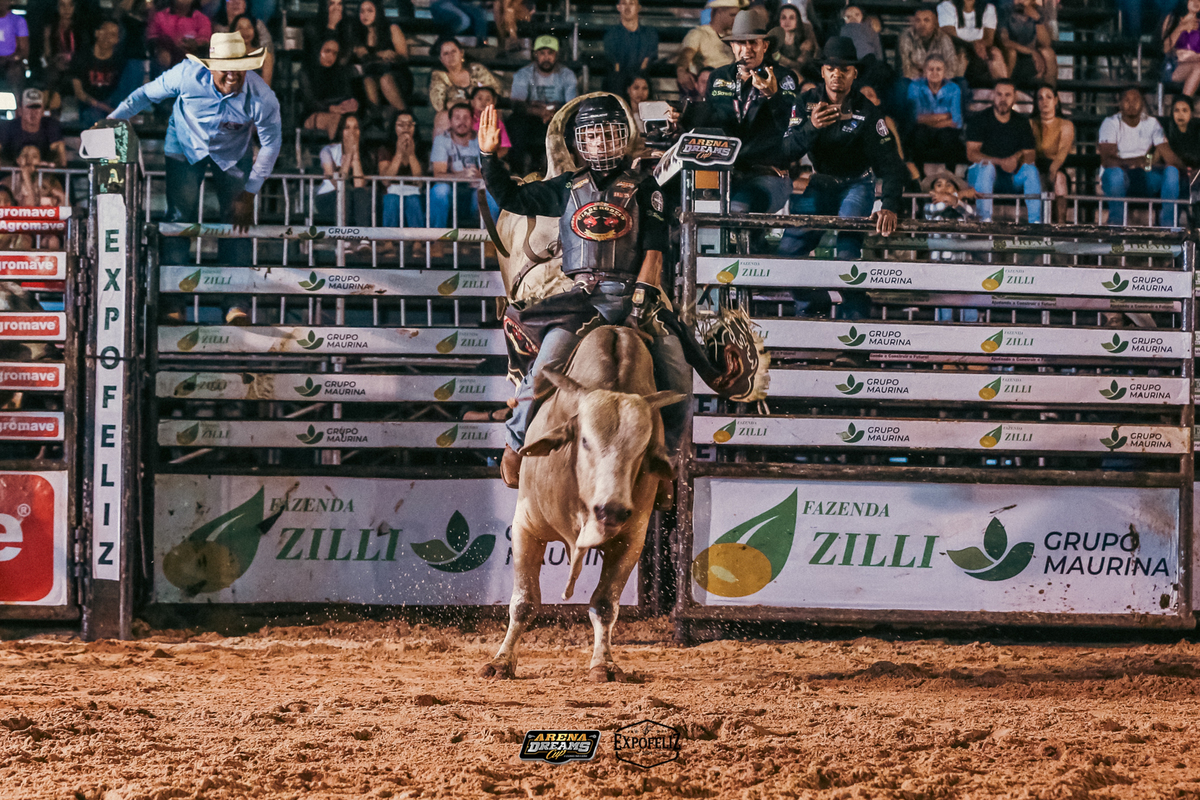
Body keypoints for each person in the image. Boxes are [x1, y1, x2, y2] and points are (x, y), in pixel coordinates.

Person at [477, 95, 689, 491]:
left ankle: (667, 457)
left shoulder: (648, 187)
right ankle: (515, 443)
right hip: (581, 299)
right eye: (592, 136)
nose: (600, 143)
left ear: (623, 137)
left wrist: (639, 305)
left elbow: (655, 252)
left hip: (636, 293)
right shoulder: (566, 186)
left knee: (677, 371)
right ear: (580, 143)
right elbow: (512, 197)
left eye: (608, 135)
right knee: (546, 365)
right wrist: (488, 157)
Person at [109, 32, 282, 269]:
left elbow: (271, 144)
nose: (232, 74)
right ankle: (173, 288)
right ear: (211, 68)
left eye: (238, 67)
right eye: (225, 67)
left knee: (238, 218)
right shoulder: (187, 74)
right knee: (180, 215)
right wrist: (112, 120)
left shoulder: (262, 96)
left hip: (233, 151)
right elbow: (146, 94)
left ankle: (237, 290)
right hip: (185, 142)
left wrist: (251, 192)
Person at [780, 36, 906, 318]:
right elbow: (786, 150)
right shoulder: (805, 103)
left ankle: (855, 323)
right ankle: (814, 306)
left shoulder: (868, 111)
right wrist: (811, 127)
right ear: (822, 72)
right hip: (820, 182)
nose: (837, 74)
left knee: (847, 256)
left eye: (844, 69)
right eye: (831, 69)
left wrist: (889, 205)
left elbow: (891, 164)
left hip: (857, 184)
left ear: (854, 74)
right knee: (787, 251)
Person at [686, 10, 800, 214]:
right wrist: (680, 122)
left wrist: (773, 96)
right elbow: (708, 125)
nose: (747, 49)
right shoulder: (718, 77)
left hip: (767, 174)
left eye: (753, 42)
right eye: (740, 42)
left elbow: (790, 127)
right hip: (725, 173)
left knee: (738, 207)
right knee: (692, 205)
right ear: (732, 45)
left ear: (765, 46)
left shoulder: (784, 78)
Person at [1099, 87, 1183, 227]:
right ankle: (1116, 226)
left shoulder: (1151, 123)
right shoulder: (1110, 123)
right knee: (1115, 174)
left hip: (1145, 175)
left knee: (1172, 171)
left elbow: (1168, 154)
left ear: (1142, 103)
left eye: (1136, 100)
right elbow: (1107, 160)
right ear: (1120, 103)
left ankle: (1169, 227)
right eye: (1127, 100)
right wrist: (1134, 162)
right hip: (1120, 176)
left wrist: (1186, 169)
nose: (1131, 104)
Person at [964, 79, 1040, 223]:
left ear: (1014, 97)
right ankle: (984, 221)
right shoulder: (979, 119)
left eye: (1007, 95)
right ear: (993, 95)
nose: (1003, 99)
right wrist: (1000, 162)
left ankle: (1036, 223)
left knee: (1031, 170)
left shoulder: (1021, 122)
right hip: (981, 177)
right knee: (987, 168)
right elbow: (971, 153)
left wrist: (1015, 158)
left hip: (1010, 177)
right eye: (999, 94)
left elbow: (1030, 154)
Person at [507, 36, 579, 175]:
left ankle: (563, 172)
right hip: (531, 118)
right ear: (535, 54)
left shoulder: (567, 75)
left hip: (558, 118)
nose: (546, 58)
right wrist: (540, 112)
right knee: (515, 122)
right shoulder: (523, 74)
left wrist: (554, 114)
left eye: (550, 53)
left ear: (556, 55)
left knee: (571, 122)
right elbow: (517, 104)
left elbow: (572, 105)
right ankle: (518, 173)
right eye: (542, 53)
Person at [430, 102, 500, 230]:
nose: (462, 122)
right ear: (450, 121)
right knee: (440, 190)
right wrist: (462, 175)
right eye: (457, 118)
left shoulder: (480, 139)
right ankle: (436, 238)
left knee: (489, 191)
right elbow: (438, 174)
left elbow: (487, 172)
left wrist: (477, 176)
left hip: (474, 194)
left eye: (466, 118)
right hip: (451, 194)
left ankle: (491, 238)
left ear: (472, 120)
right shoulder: (442, 140)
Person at [339, 0, 412, 115]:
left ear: (378, 12)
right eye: (362, 11)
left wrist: (393, 56)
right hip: (371, 75)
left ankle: (406, 114)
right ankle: (376, 118)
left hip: (396, 76)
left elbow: (404, 57)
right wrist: (377, 55)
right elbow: (357, 57)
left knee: (385, 80)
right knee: (368, 80)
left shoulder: (392, 28)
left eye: (370, 11)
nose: (365, 15)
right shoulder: (357, 33)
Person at [427, 36, 503, 139]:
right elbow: (438, 105)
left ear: (461, 53)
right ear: (441, 59)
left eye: (453, 51)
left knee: (495, 113)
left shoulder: (476, 69)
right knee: (442, 117)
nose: (451, 56)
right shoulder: (439, 76)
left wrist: (455, 103)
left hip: (480, 113)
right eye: (446, 53)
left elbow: (496, 90)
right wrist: (471, 103)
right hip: (456, 119)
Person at [316, 113, 373, 232]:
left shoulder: (366, 155)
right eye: (347, 127)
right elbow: (337, 184)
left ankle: (364, 237)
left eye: (356, 128)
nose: (352, 132)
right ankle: (343, 237)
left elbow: (359, 185)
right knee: (345, 193)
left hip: (354, 199)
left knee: (361, 194)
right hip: (329, 197)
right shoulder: (328, 151)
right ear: (341, 131)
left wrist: (356, 156)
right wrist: (348, 156)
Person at [907, 54, 965, 170]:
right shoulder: (915, 86)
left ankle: (950, 175)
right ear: (925, 71)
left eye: (938, 69)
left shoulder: (954, 88)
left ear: (944, 72)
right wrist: (945, 116)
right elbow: (915, 118)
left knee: (948, 137)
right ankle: (919, 175)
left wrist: (927, 120)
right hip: (922, 130)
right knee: (919, 135)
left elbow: (956, 121)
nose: (934, 72)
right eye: (931, 69)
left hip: (945, 131)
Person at [70, 18, 131, 128]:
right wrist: (103, 107)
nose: (107, 37)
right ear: (97, 33)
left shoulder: (121, 61)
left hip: (112, 103)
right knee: (93, 117)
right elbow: (79, 93)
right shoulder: (81, 57)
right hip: (90, 106)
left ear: (117, 39)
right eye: (104, 31)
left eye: (112, 34)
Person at [677, 0, 738, 101]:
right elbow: (687, 54)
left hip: (730, 91)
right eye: (732, 15)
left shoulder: (733, 37)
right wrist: (681, 71)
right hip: (706, 91)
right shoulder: (699, 34)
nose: (735, 19)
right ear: (719, 12)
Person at [1030, 83, 1074, 222]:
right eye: (1040, 98)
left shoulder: (1066, 125)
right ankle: (1040, 224)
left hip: (1057, 166)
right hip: (1035, 166)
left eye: (1048, 97)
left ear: (1055, 100)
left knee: (1060, 179)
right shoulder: (1030, 124)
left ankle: (1061, 225)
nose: (1044, 101)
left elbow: (1063, 150)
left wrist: (1053, 169)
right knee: (1036, 179)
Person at [300, 37, 358, 140]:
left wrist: (351, 104)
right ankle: (335, 148)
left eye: (335, 53)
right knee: (336, 119)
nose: (330, 56)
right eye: (327, 51)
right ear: (319, 51)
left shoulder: (340, 72)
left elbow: (347, 96)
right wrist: (330, 108)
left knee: (350, 121)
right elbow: (310, 102)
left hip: (340, 112)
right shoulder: (307, 72)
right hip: (313, 113)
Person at [938, 0, 1006, 87]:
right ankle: (954, 88)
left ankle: (1002, 88)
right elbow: (949, 35)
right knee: (961, 55)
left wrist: (981, 45)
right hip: (957, 46)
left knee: (995, 53)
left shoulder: (989, 8)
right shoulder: (947, 6)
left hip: (979, 47)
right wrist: (972, 45)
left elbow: (989, 38)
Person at [378, 110, 426, 229]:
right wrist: (399, 153)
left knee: (413, 201)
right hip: (391, 193)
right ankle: (388, 238)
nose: (406, 128)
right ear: (393, 127)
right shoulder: (385, 148)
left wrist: (411, 155)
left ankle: (417, 239)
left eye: (410, 124)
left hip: (414, 193)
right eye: (401, 125)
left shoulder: (421, 148)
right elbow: (385, 180)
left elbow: (419, 181)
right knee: (392, 200)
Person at [0, 90, 67, 167]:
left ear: (42, 110)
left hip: (44, 173)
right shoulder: (7, 128)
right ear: (20, 110)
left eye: (37, 107)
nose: (33, 112)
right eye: (29, 107)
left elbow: (62, 162)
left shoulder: (51, 127)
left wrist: (43, 166)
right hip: (12, 173)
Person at [603, 0, 659, 93]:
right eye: (624, 3)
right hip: (617, 85)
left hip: (641, 84)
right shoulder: (611, 35)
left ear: (638, 7)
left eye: (631, 3)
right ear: (618, 7)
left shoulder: (650, 34)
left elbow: (645, 65)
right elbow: (616, 67)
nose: (627, 7)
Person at [1000, 0, 1056, 88]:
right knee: (1011, 53)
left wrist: (1037, 19)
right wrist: (1031, 52)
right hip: (1012, 54)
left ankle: (1050, 91)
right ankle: (1006, 89)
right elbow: (1005, 41)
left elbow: (1045, 43)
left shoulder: (1039, 11)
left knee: (1048, 53)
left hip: (1032, 57)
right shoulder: (1005, 9)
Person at [147, 0, 212, 71]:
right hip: (165, 61)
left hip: (191, 63)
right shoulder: (160, 16)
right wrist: (160, 49)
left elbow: (204, 40)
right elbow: (152, 37)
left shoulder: (201, 19)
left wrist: (194, 44)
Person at [899, 6, 960, 82]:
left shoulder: (943, 38)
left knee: (961, 82)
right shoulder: (907, 37)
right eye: (918, 21)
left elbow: (952, 66)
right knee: (902, 84)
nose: (922, 24)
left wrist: (936, 80)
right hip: (915, 82)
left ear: (935, 23)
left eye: (926, 20)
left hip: (940, 80)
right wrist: (924, 82)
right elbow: (906, 69)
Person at [768, 3, 820, 77]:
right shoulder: (773, 39)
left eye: (791, 18)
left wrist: (780, 58)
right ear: (779, 20)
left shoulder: (806, 41)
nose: (787, 22)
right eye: (783, 18)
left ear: (797, 20)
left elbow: (800, 66)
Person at [1163, 0, 1200, 98]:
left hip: (1196, 65)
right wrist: (1181, 27)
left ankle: (1184, 101)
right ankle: (1185, 102)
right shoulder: (1173, 18)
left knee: (1198, 67)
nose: (1196, 2)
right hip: (1174, 66)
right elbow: (1165, 48)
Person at [469, 84, 509, 161]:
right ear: (472, 101)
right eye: (480, 98)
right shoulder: (466, 119)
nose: (483, 102)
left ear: (494, 102)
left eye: (488, 99)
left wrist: (488, 159)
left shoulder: (497, 123)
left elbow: (504, 148)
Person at [0, 0, 29, 91]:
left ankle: (16, 98)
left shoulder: (18, 21)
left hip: (11, 62)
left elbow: (24, 50)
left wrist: (11, 59)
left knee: (15, 72)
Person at [1165, 97, 1200, 169]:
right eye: (1176, 110)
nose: (1180, 115)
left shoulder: (1197, 131)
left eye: (1184, 110)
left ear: (1191, 113)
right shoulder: (1165, 131)